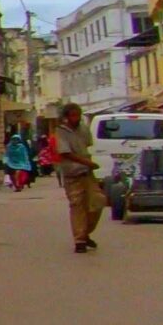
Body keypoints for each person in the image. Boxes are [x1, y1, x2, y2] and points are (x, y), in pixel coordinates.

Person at [47, 103, 103, 253]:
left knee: (97, 202)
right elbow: (65, 153)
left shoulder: (83, 128)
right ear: (66, 117)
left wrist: (89, 163)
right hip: (72, 174)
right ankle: (79, 239)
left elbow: (88, 144)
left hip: (87, 173)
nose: (76, 118)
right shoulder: (61, 131)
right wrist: (87, 162)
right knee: (77, 205)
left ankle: (85, 233)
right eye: (72, 115)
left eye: (78, 115)